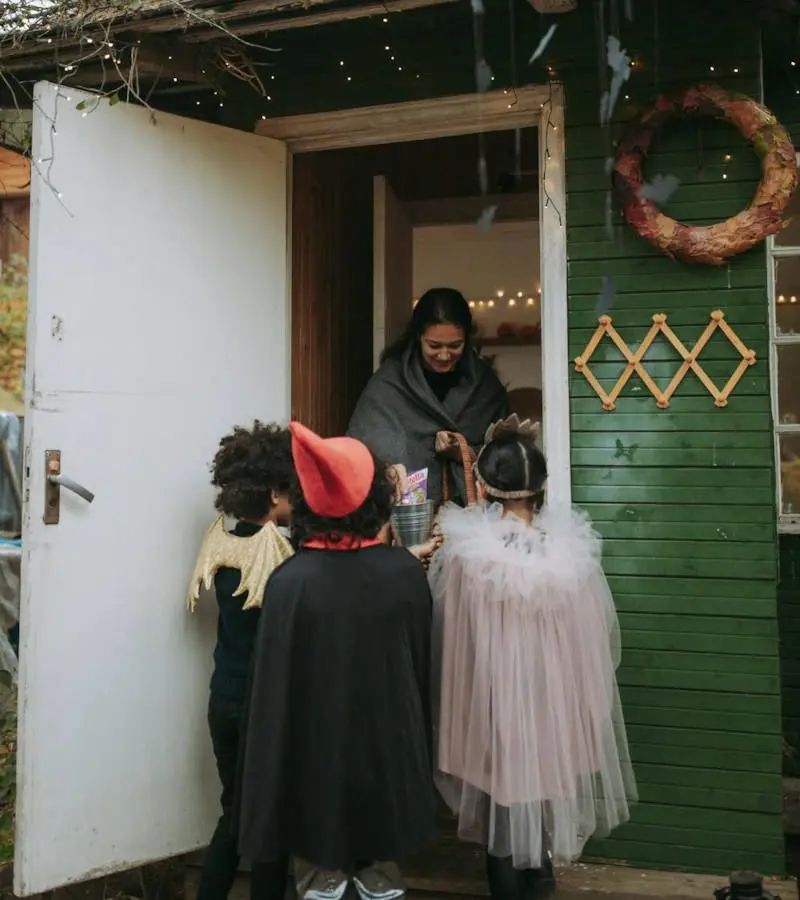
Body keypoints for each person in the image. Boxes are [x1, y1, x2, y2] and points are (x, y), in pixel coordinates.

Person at [429, 415, 637, 900]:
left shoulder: (467, 553)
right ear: (539, 487)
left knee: (503, 806)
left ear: (484, 485)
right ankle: (540, 881)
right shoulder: (568, 552)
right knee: (538, 803)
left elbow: (453, 638)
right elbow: (592, 639)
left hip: (493, 700)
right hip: (551, 701)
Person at [237, 423, 437, 900]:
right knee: (382, 883)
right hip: (388, 756)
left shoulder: (290, 581)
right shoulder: (405, 574)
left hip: (313, 764)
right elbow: (423, 672)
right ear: (376, 499)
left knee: (319, 885)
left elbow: (272, 695)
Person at [186, 422, 295, 900]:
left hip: (224, 695)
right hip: (264, 703)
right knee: (269, 823)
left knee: (235, 816)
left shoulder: (224, 547)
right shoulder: (281, 556)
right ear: (275, 493)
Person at [348, 287, 511, 507]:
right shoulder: (388, 384)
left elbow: (508, 456)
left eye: (455, 346)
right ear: (418, 336)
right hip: (406, 519)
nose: (444, 355)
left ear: (467, 339)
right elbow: (363, 455)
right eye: (434, 346)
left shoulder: (485, 386)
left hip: (473, 520)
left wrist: (463, 452)